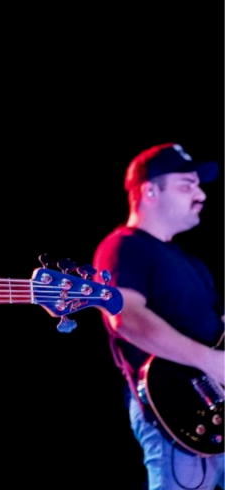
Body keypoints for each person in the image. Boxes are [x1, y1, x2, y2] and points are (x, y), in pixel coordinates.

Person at [93, 142, 225, 490]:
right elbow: (127, 318)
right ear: (150, 191)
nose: (200, 196)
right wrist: (211, 362)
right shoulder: (123, 246)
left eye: (199, 186)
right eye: (187, 185)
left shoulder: (193, 263)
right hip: (176, 414)